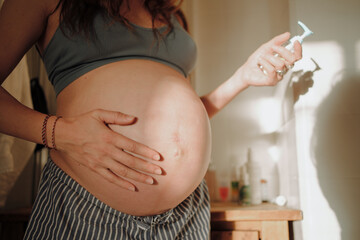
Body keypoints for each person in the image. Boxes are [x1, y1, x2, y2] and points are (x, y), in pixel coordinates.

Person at [0, 0, 302, 239]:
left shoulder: (170, 15)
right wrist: (56, 132)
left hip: (187, 212)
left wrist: (242, 78)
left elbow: (174, 112)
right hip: (87, 203)